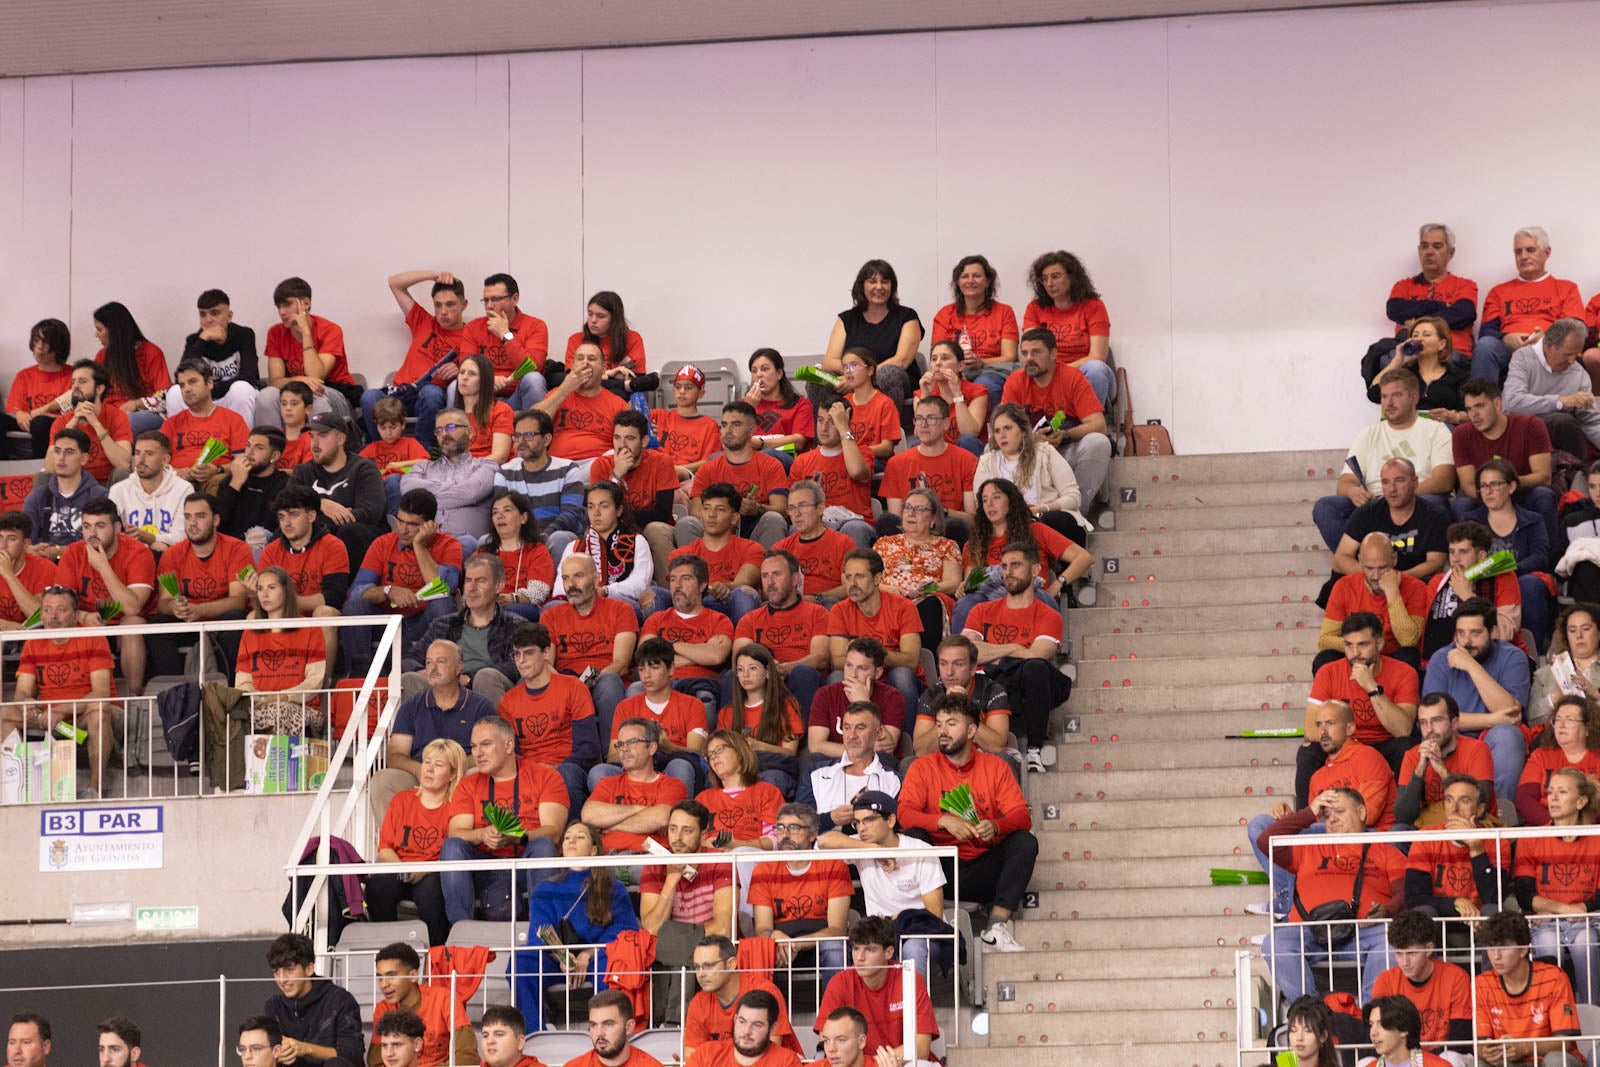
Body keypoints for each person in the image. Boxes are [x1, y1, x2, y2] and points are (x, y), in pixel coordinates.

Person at [898, 691, 1037, 951]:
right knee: (914, 836)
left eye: (951, 724)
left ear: (972, 730)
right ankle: (927, 920)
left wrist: (996, 826)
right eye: (939, 724)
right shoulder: (921, 767)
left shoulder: (995, 766)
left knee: (1024, 842)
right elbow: (905, 814)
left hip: (983, 865)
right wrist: (943, 822)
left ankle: (996, 927)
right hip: (939, 868)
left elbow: (1021, 816)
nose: (942, 731)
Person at [1247, 703, 1397, 918]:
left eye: (1330, 723)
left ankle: (1291, 911)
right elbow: (1316, 823)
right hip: (1327, 842)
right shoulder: (1318, 776)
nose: (1323, 731)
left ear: (1350, 729)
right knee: (1260, 825)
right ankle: (1286, 898)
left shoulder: (1368, 757)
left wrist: (1305, 824)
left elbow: (1368, 816)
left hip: (1369, 840)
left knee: (1297, 837)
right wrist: (1290, 819)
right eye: (1319, 725)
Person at [1260, 787, 1402, 1004]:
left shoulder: (1386, 850)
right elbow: (1265, 840)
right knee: (1275, 942)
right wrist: (1309, 813)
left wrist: (1388, 910)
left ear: (1362, 812)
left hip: (1365, 929)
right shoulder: (1308, 846)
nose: (1332, 819)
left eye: (1340, 812)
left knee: (1392, 941)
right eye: (1326, 816)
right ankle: (1311, 1015)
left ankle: (1372, 1019)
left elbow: (1405, 891)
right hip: (1311, 930)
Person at [1313, 367, 1455, 550]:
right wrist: (1353, 491)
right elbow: (1344, 484)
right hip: (1375, 504)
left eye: (1396, 395)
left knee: (1434, 503)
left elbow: (1444, 480)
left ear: (1414, 398)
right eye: (1384, 397)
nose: (1389, 402)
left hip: (1417, 499)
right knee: (1326, 507)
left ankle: (1415, 565)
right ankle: (1361, 566)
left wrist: (1399, 494)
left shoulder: (1436, 430)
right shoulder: (1367, 435)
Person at [442, 716, 567, 923]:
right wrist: (482, 834)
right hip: (486, 868)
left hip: (526, 863)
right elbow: (457, 831)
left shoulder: (545, 776)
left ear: (509, 745)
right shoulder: (468, 784)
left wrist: (516, 837)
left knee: (543, 844)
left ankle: (543, 931)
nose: (478, 753)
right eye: (473, 746)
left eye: (486, 745)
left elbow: (553, 831)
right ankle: (461, 932)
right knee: (452, 846)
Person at [516, 822, 639, 1032]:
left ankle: (608, 1031)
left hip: (596, 957)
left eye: (580, 837)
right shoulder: (545, 888)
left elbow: (625, 931)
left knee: (609, 962)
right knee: (521, 961)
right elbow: (539, 932)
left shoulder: (613, 887)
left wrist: (588, 954)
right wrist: (562, 957)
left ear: (593, 850)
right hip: (556, 959)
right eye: (567, 837)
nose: (571, 840)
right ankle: (534, 1034)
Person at [961, 541, 1071, 773]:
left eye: (1015, 565)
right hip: (989, 683)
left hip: (1024, 686)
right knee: (982, 674)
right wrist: (1013, 648)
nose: (1007, 572)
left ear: (1034, 570)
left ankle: (1034, 751)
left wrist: (991, 651)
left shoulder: (1049, 615)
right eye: (1004, 566)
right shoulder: (981, 610)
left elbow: (1037, 656)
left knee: (1036, 669)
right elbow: (966, 652)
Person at [817, 791, 944, 979]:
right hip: (879, 935)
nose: (861, 828)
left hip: (918, 932)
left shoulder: (920, 849)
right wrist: (873, 850)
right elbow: (824, 841)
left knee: (913, 947)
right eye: (857, 822)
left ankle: (915, 1007)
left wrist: (896, 920)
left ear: (891, 821)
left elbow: (934, 914)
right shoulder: (863, 846)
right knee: (854, 948)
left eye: (869, 820)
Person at [5, 586, 116, 798]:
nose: (52, 616)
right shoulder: (33, 642)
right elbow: (21, 693)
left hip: (84, 713)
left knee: (98, 710)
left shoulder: (93, 636)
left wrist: (61, 709)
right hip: (48, 716)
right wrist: (26, 704)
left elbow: (101, 693)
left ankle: (94, 789)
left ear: (75, 615)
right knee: (5, 715)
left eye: (60, 610)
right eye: (46, 610)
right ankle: (20, 783)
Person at [1421, 597, 1531, 806]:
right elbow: (1434, 721)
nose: (1466, 641)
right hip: (1452, 739)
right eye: (1460, 633)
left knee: (1506, 734)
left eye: (1475, 633)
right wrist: (1491, 719)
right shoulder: (1440, 659)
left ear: (1493, 632)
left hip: (1493, 741)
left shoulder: (1513, 657)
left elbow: (1509, 712)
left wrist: (1472, 666)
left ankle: (1500, 814)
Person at [1301, 610, 1421, 800]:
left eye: (1363, 645)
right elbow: (1310, 729)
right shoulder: (1328, 672)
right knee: (1309, 751)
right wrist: (1354, 751)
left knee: (1406, 747)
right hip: (1345, 745)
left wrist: (1372, 687)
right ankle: (1306, 822)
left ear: (1379, 643)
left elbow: (1403, 729)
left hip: (1385, 744)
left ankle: (1400, 822)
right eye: (1348, 645)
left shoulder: (1404, 672)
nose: (1355, 653)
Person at [369, 640, 496, 819]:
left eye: (441, 661)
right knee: (384, 780)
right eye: (429, 662)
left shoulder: (480, 706)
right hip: (422, 772)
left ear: (458, 667)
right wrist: (419, 769)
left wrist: (452, 769)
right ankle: (397, 844)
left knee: (480, 774)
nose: (433, 668)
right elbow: (395, 755)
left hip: (461, 772)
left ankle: (474, 841)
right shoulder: (411, 706)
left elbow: (489, 752)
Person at [343, 488, 464, 672]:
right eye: (400, 521)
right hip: (387, 621)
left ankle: (439, 669)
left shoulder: (449, 546)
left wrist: (420, 546)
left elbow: (442, 590)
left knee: (442, 601)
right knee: (355, 605)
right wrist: (388, 590)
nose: (404, 530)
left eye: (412, 524)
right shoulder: (383, 543)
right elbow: (357, 590)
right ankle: (360, 672)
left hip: (425, 622)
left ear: (430, 525)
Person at [368, 737, 467, 947]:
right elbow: (385, 848)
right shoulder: (401, 799)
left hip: (433, 873)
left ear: (451, 775)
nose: (429, 769)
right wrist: (404, 869)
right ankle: (388, 951)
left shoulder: (457, 808)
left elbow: (455, 852)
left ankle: (436, 955)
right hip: (400, 867)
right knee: (377, 887)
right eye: (426, 762)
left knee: (432, 894)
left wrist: (424, 869)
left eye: (438, 765)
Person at [955, 478, 1085, 635]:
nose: (989, 504)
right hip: (991, 602)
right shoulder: (975, 542)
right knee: (966, 601)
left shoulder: (1036, 531)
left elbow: (1083, 558)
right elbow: (971, 579)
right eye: (984, 500)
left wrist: (1057, 585)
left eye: (996, 497)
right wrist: (965, 585)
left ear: (1011, 501)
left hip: (1030, 595)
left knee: (1041, 598)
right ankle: (961, 652)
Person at [1514, 766, 1600, 1002]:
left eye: (1562, 792)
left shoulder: (1597, 837)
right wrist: (1563, 909)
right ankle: (1556, 1015)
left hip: (1588, 919)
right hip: (1546, 920)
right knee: (1546, 940)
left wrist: (1582, 909)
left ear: (1581, 801)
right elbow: (1524, 893)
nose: (1552, 798)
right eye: (1550, 792)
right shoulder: (1530, 837)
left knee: (1586, 940)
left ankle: (1592, 1016)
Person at [1000, 327, 1111, 508]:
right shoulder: (1015, 381)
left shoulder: (1072, 377)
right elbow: (1003, 429)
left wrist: (1066, 434)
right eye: (1025, 353)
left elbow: (1099, 425)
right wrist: (1030, 439)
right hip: (1030, 453)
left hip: (1066, 449)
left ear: (1053, 354)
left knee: (1098, 442)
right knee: (993, 447)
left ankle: (1075, 512)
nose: (1028, 359)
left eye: (1036, 352)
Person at [497, 621, 602, 810]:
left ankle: (572, 836)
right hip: (527, 772)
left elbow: (588, 748)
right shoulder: (508, 701)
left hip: (568, 767)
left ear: (546, 653)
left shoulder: (573, 687)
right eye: (516, 654)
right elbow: (511, 753)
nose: (521, 661)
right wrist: (532, 770)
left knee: (565, 774)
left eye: (528, 653)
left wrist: (556, 768)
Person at [56, 498, 156, 693]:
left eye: (100, 526)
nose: (92, 533)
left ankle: (133, 697)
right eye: (86, 526)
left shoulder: (138, 553)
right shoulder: (73, 553)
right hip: (88, 622)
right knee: (58, 621)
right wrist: (84, 616)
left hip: (124, 624)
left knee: (132, 624)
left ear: (117, 527)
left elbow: (133, 607)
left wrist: (103, 566)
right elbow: (60, 605)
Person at [358, 271, 469, 443]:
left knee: (431, 393)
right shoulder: (424, 321)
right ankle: (382, 451)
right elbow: (395, 283)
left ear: (464, 305)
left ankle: (421, 454)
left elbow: (477, 372)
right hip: (400, 393)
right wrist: (433, 275)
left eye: (450, 305)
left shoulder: (471, 336)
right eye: (438, 305)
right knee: (369, 397)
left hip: (428, 398)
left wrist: (461, 370)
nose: (443, 312)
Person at [150, 492, 251, 677]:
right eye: (187, 517)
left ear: (216, 520)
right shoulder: (172, 554)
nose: (192, 523)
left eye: (200, 516)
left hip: (220, 623)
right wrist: (175, 607)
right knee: (158, 625)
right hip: (187, 623)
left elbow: (238, 601)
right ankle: (173, 694)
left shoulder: (237, 549)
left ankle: (232, 690)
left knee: (234, 619)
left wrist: (199, 610)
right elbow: (163, 603)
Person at [749, 802, 851, 987]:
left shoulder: (834, 865)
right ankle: (761, 1014)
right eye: (780, 828)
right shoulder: (763, 870)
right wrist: (776, 938)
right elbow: (763, 929)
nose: (785, 835)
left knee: (836, 948)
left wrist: (795, 944)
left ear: (813, 834)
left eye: (794, 828)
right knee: (758, 951)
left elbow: (837, 930)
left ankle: (837, 1013)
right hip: (781, 945)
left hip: (819, 943)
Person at [1451, 378, 1559, 549]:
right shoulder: (1461, 434)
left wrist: (1505, 488)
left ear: (1497, 404)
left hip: (1521, 493)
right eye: (1469, 409)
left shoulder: (1531, 425)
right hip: (1485, 496)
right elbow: (1468, 484)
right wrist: (1493, 494)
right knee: (1462, 505)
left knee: (1543, 495)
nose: (1474, 415)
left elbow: (1543, 476)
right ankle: (1473, 566)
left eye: (1480, 406)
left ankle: (1551, 562)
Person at [400, 555, 520, 706]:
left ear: (498, 586)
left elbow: (518, 664)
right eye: (468, 580)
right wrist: (423, 671)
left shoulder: (514, 625)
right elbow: (407, 659)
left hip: (484, 686)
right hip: (446, 685)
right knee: (410, 679)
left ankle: (493, 728)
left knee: (485, 677)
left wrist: (471, 677)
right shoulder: (443, 624)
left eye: (481, 581)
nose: (472, 588)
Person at [814, 917, 938, 1062]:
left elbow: (921, 1047)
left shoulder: (909, 978)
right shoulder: (839, 983)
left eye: (869, 950)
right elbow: (827, 1041)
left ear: (889, 952)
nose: (860, 957)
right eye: (855, 949)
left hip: (901, 1063)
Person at [1473, 227, 1586, 386]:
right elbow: (1486, 332)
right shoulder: (1498, 291)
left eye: (1530, 250)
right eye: (1518, 252)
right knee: (1485, 346)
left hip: (1551, 351)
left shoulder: (1567, 288)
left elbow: (1576, 330)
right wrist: (1505, 338)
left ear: (1546, 253)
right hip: (1509, 352)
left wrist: (1547, 338)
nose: (1523, 256)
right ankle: (1481, 405)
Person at [255, 484, 350, 668]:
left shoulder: (333, 546)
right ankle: (262, 686)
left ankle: (323, 687)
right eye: (281, 517)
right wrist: (255, 592)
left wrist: (287, 601)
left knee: (325, 613)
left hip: (316, 617)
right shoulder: (270, 551)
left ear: (311, 516)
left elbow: (333, 597)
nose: (286, 523)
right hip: (282, 617)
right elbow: (265, 600)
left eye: (294, 514)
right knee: (253, 617)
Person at [1464, 457, 1555, 652]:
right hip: (1483, 582)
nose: (1487, 491)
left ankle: (1534, 653)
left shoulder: (1533, 520)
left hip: (1521, 579)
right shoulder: (1471, 522)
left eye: (1494, 484)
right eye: (1483, 486)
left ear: (1512, 487)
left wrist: (1510, 569)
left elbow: (1541, 556)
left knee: (1530, 585)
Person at [544, 553, 637, 739]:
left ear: (596, 579)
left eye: (578, 576)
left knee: (609, 681)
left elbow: (621, 664)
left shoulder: (621, 610)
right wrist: (570, 687)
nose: (571, 584)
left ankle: (613, 755)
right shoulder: (551, 615)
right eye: (565, 578)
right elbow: (546, 664)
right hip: (566, 683)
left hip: (604, 681)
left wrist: (585, 684)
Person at [978, 399, 1093, 550]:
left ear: (1023, 430)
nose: (1002, 435)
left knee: (1052, 521)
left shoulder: (1045, 452)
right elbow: (980, 504)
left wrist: (1043, 508)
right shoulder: (987, 461)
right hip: (1007, 525)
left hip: (1047, 519)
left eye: (1008, 428)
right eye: (997, 431)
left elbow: (1073, 497)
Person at [1475, 910, 1583, 1066]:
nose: (1496, 956)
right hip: (1508, 1062)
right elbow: (1479, 1042)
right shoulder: (1481, 984)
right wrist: (1485, 1051)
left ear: (1523, 950)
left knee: (1556, 1060)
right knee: (1479, 1063)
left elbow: (1564, 1042)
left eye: (1504, 948)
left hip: (1546, 1059)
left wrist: (1524, 1047)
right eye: (1491, 947)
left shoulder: (1555, 977)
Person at [599, 641, 705, 799]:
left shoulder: (692, 705)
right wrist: (638, 751)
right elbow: (613, 756)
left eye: (654, 668)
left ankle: (678, 819)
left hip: (671, 764)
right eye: (641, 669)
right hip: (634, 769)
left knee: (681, 766)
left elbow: (697, 752)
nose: (646, 675)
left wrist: (668, 747)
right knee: (599, 771)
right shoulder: (625, 707)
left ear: (671, 669)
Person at [819, 259, 925, 416]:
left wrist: (861, 377)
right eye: (872, 281)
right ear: (862, 286)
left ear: (892, 286)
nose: (879, 287)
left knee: (888, 373)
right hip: (853, 378)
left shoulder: (907, 316)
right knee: (818, 379)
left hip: (894, 379)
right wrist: (852, 376)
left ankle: (887, 434)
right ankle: (828, 436)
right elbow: (830, 361)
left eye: (885, 281)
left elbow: (902, 360)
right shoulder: (847, 319)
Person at [679, 402, 790, 548]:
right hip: (716, 535)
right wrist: (721, 516)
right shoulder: (708, 469)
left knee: (773, 519)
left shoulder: (771, 465)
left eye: (736, 425)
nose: (728, 431)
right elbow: (696, 511)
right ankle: (701, 570)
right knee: (686, 524)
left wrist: (757, 508)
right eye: (724, 425)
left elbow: (782, 510)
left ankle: (767, 570)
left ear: (751, 430)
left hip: (754, 530)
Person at [733, 549, 830, 713]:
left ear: (795, 579)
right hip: (762, 680)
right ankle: (734, 737)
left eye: (776, 574)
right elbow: (738, 660)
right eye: (765, 576)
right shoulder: (749, 619)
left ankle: (805, 737)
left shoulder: (818, 613)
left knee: (803, 672)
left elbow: (820, 658)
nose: (770, 582)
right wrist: (767, 669)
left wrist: (785, 668)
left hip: (799, 678)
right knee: (732, 677)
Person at [1404, 773, 1509, 923]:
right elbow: (1415, 899)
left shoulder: (1497, 841)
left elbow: (1494, 898)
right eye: (1449, 800)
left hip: (1480, 923)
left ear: (1479, 810)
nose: (1454, 808)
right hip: (1439, 921)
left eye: (1464, 801)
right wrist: (1455, 903)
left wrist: (1476, 848)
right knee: (1422, 913)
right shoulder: (1425, 837)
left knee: (1492, 911)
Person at [236, 565, 328, 737]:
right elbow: (243, 682)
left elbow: (315, 681)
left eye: (271, 588)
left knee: (280, 711)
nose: (264, 594)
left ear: (286, 591)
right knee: (231, 714)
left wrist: (283, 697)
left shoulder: (310, 629)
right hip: (262, 705)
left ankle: (281, 764)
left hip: (303, 708)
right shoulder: (250, 633)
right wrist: (257, 699)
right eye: (260, 589)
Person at [828, 550, 922, 714]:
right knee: (836, 678)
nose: (852, 583)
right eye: (848, 577)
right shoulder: (839, 610)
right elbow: (837, 661)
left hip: (893, 676)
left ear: (878, 578)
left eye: (860, 576)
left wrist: (870, 653)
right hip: (860, 676)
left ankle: (907, 738)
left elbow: (911, 661)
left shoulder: (904, 607)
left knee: (902, 675)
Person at [288, 413, 388, 568]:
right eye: (312, 436)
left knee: (350, 531)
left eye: (322, 435)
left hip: (359, 542)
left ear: (341, 438)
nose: (315, 443)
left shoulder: (363, 468)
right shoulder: (303, 471)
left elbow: (369, 514)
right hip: (318, 534)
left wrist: (312, 514)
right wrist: (320, 504)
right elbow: (287, 506)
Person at [1318, 534, 1428, 674]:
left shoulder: (1415, 587)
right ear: (1359, 561)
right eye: (1369, 568)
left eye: (1382, 568)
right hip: (1355, 656)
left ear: (1394, 559)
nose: (1375, 576)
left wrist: (1392, 592)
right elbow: (1325, 639)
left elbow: (1409, 641)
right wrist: (1363, 646)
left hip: (1393, 657)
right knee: (1325, 658)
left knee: (1409, 655)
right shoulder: (1343, 586)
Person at [640, 554, 734, 717]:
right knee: (635, 690)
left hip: (700, 685)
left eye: (685, 579)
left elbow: (716, 656)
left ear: (702, 585)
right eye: (673, 579)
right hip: (658, 684)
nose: (677, 586)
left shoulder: (719, 620)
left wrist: (668, 646)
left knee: (704, 699)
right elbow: (646, 658)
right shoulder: (656, 619)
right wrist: (700, 652)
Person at [590, 409, 678, 582]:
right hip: (615, 531)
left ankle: (668, 593)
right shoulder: (600, 465)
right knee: (596, 531)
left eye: (629, 438)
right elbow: (598, 512)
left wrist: (619, 516)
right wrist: (616, 476)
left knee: (655, 528)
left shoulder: (661, 462)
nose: (622, 445)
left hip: (653, 530)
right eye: (617, 438)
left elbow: (662, 513)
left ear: (644, 441)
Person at [1372, 909, 1473, 1057]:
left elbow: (1460, 1040)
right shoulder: (1385, 981)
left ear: (1429, 949)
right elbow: (1381, 1036)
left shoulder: (1456, 977)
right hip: (1401, 1058)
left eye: (1412, 953)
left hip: (1445, 1057)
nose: (1405, 962)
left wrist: (1421, 1060)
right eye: (1399, 953)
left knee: (1451, 1058)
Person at [878, 397, 978, 543]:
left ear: (946, 424)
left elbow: (971, 519)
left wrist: (940, 512)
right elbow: (896, 520)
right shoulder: (896, 463)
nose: (923, 424)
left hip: (948, 532)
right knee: (886, 520)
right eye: (919, 418)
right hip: (909, 537)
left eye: (931, 418)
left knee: (955, 525)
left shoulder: (966, 460)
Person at [1331, 458, 1449, 582]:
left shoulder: (1435, 515)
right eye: (1385, 482)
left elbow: (1436, 562)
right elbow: (1341, 558)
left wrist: (1397, 579)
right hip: (1370, 581)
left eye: (1399, 481)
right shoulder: (1367, 512)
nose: (1392, 489)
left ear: (1415, 482)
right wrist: (1374, 576)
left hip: (1413, 581)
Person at [263, 278, 359, 428]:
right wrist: (300, 379)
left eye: (287, 304)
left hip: (334, 392)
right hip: (297, 392)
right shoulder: (275, 333)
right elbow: (275, 382)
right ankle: (272, 446)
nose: (281, 312)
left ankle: (319, 449)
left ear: (306, 303)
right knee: (266, 396)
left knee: (315, 395)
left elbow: (316, 377)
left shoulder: (331, 330)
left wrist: (306, 334)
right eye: (279, 306)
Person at [553, 482, 657, 621]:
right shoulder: (574, 546)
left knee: (620, 603)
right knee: (552, 607)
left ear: (619, 510)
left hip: (617, 602)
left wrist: (607, 591)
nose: (596, 513)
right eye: (591, 507)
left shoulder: (637, 541)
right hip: (579, 603)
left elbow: (639, 585)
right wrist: (587, 594)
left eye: (604, 506)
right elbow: (559, 588)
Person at [1424, 521, 1526, 664]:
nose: (1455, 559)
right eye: (1452, 551)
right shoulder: (1438, 582)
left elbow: (1505, 631)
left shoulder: (1504, 577)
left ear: (1481, 556)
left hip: (1501, 658)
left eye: (1463, 552)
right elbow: (1430, 635)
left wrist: (1468, 597)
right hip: (1452, 659)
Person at [873, 489, 964, 648]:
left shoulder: (947, 546)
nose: (911, 513)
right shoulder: (884, 543)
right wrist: (893, 590)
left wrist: (927, 589)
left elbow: (953, 582)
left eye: (919, 509)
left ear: (934, 518)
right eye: (907, 507)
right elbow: (869, 579)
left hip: (927, 599)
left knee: (930, 605)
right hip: (889, 598)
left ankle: (926, 662)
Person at [1022, 250, 1115, 406]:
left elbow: (1097, 356)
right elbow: (1032, 351)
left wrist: (1062, 371)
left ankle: (1092, 423)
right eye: (1044, 279)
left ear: (1072, 277)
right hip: (1048, 375)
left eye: (1055, 277)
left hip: (1083, 374)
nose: (1049, 284)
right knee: (1022, 373)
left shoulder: (1093, 306)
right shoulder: (1035, 308)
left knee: (1096, 369)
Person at [583, 717, 690, 851]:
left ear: (652, 748)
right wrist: (639, 809)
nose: (624, 749)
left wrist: (608, 825)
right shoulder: (607, 784)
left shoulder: (673, 786)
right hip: (609, 861)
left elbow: (661, 818)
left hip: (650, 861)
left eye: (631, 742)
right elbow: (588, 816)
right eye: (620, 744)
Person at [683, 936, 799, 1056]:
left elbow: (768, 1053)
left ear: (731, 964)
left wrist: (714, 1055)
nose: (701, 974)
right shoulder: (698, 1002)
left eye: (708, 966)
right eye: (697, 967)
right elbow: (692, 1057)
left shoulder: (765, 991)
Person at [401, 410, 497, 551]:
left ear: (470, 432)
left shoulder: (487, 466)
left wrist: (426, 499)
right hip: (424, 544)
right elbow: (408, 490)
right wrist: (458, 490)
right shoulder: (423, 467)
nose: (444, 434)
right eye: (439, 430)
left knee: (465, 543)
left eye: (450, 427)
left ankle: (440, 574)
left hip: (468, 551)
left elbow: (470, 492)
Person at [1393, 694, 1495, 828]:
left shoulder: (1477, 749)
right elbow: (1403, 816)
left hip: (1471, 827)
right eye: (1423, 722)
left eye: (1437, 720)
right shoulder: (1413, 756)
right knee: (1398, 830)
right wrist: (1419, 771)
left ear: (1454, 724)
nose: (1429, 729)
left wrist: (1442, 769)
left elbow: (1480, 806)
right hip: (1430, 830)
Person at [263, 933, 364, 1067]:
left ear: (309, 969)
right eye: (276, 972)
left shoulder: (340, 1000)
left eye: (289, 970)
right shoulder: (274, 1006)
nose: (282, 979)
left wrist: (305, 1049)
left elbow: (352, 1056)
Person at [368, 942, 477, 1067]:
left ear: (413, 976)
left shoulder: (444, 998)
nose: (384, 985)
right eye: (380, 978)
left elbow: (467, 1056)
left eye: (391, 976)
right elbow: (375, 1061)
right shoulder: (383, 1008)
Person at [638, 799, 735, 939]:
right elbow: (652, 929)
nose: (677, 838)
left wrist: (677, 940)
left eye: (687, 831)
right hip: (670, 957)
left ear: (703, 835)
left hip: (712, 952)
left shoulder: (721, 862)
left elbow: (723, 928)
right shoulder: (654, 865)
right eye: (672, 829)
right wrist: (672, 879)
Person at [1503, 317, 1600, 456]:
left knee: (1567, 423)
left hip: (1561, 442)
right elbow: (1512, 402)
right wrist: (1559, 402)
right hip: (1522, 435)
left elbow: (1592, 421)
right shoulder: (1523, 358)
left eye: (1577, 354)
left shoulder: (1579, 374)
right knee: (1562, 422)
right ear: (1549, 346)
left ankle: (1576, 471)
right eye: (1568, 354)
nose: (1573, 361)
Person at [497, 408, 586, 558]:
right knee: (485, 541)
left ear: (547, 439)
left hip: (553, 535)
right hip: (518, 537)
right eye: (517, 436)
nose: (521, 442)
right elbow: (502, 513)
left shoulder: (568, 469)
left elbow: (571, 514)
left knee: (560, 538)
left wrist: (544, 535)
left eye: (529, 435)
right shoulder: (505, 472)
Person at [931, 254, 1020, 404]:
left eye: (977, 276)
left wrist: (981, 362)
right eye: (965, 276)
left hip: (991, 371)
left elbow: (1009, 356)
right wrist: (958, 371)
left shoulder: (1004, 312)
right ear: (958, 282)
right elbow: (937, 354)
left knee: (984, 386)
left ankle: (989, 427)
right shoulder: (945, 314)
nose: (970, 281)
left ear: (988, 281)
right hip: (953, 371)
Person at [807, 638, 906, 770]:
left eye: (862, 668)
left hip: (873, 765)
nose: (852, 674)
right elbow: (816, 746)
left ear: (878, 673)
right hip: (835, 762)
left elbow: (886, 746)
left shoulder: (892, 696)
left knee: (883, 760)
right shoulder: (825, 694)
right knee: (811, 760)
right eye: (849, 665)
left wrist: (864, 703)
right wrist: (861, 750)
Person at [911, 635, 1013, 761]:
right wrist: (946, 710)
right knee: (909, 763)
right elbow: (921, 750)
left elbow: (997, 746)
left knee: (1005, 759)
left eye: (958, 664)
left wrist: (964, 708)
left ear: (973, 668)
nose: (949, 672)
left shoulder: (992, 690)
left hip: (984, 763)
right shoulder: (931, 694)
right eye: (943, 664)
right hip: (944, 763)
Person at [1380, 223, 1478, 354]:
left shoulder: (1465, 285)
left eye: (1437, 246)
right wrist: (1439, 307)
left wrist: (1415, 322)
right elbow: (1393, 310)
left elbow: (1464, 314)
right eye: (1424, 246)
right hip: (1409, 354)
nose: (1429, 252)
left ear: (1450, 253)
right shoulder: (1403, 286)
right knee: (1386, 358)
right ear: (1419, 251)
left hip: (1450, 354)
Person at [803, 700, 902, 830]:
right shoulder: (816, 774)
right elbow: (799, 826)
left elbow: (898, 827)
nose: (852, 735)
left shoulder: (893, 780)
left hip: (874, 849)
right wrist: (830, 819)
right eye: (847, 728)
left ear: (877, 733)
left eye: (860, 728)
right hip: (826, 848)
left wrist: (874, 810)